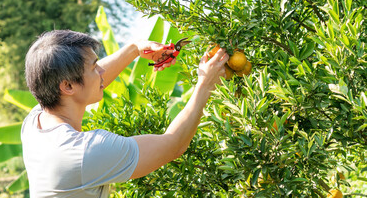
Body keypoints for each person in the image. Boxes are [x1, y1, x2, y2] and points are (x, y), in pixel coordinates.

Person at [21, 30, 228, 197]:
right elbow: (173, 145)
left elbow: (87, 83)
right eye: (94, 68)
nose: (101, 72)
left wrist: (134, 49)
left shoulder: (35, 122)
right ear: (67, 86)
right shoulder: (83, 152)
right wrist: (205, 84)